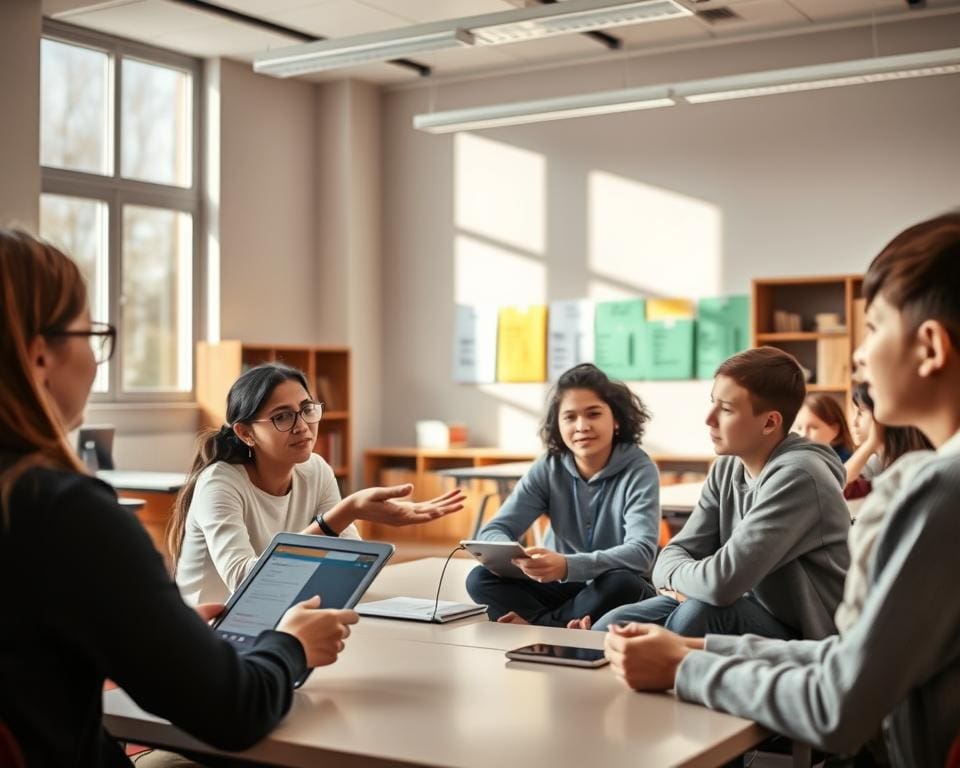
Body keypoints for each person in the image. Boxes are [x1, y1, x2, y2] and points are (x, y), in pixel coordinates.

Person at [604, 213, 960, 768]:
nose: (860, 357)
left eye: (872, 329)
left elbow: (838, 702)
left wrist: (686, 666)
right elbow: (844, 661)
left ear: (932, 347)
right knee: (660, 621)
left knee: (692, 616)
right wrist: (698, 650)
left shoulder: (940, 490)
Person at [0, 229, 358, 766]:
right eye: (91, 335)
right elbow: (232, 711)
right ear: (40, 357)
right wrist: (292, 645)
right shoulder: (67, 515)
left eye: (307, 410)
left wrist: (156, 634)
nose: (97, 363)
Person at [585, 346, 851, 640]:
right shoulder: (726, 467)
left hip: (807, 636)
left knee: (697, 615)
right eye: (713, 403)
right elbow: (671, 555)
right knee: (612, 624)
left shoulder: (799, 476)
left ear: (770, 422)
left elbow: (720, 584)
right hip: (743, 605)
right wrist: (692, 582)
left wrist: (686, 583)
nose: (709, 419)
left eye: (726, 409)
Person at [171, 363, 465, 605]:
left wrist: (345, 523)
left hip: (282, 613)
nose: (302, 426)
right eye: (282, 417)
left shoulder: (315, 469)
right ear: (246, 433)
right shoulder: (219, 483)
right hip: (210, 633)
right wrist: (343, 514)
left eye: (307, 409)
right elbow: (244, 583)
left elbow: (356, 564)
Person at [464, 363, 660, 627]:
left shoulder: (640, 468)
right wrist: (520, 558)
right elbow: (494, 530)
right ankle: (561, 624)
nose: (581, 426)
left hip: (612, 588)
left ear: (615, 420)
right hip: (557, 587)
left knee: (622, 582)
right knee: (479, 579)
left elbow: (641, 554)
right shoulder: (549, 466)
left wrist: (568, 565)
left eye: (593, 414)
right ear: (558, 425)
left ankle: (538, 624)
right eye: (569, 417)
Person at [842, 381, 932, 500]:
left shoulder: (915, 460)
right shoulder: (876, 459)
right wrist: (870, 444)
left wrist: (871, 443)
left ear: (880, 415)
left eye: (861, 413)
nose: (854, 422)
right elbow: (838, 486)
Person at [795, 392, 856, 462]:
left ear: (835, 429)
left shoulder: (847, 463)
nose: (803, 434)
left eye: (813, 427)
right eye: (799, 428)